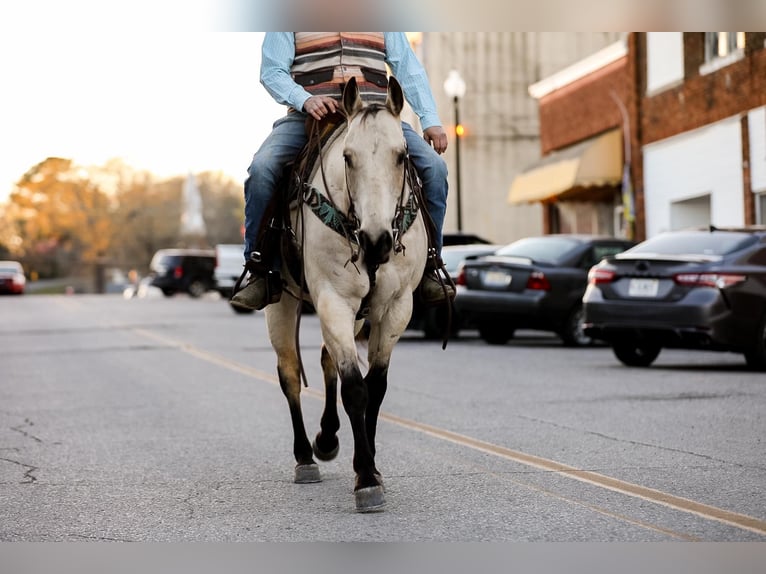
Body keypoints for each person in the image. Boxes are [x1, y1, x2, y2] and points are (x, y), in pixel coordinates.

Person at [232, 32, 454, 311]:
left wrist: (430, 119)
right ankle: (260, 268)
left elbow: (407, 66)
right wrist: (304, 99)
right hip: (311, 117)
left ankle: (430, 265)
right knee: (262, 170)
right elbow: (272, 71)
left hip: (374, 120)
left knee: (435, 169)